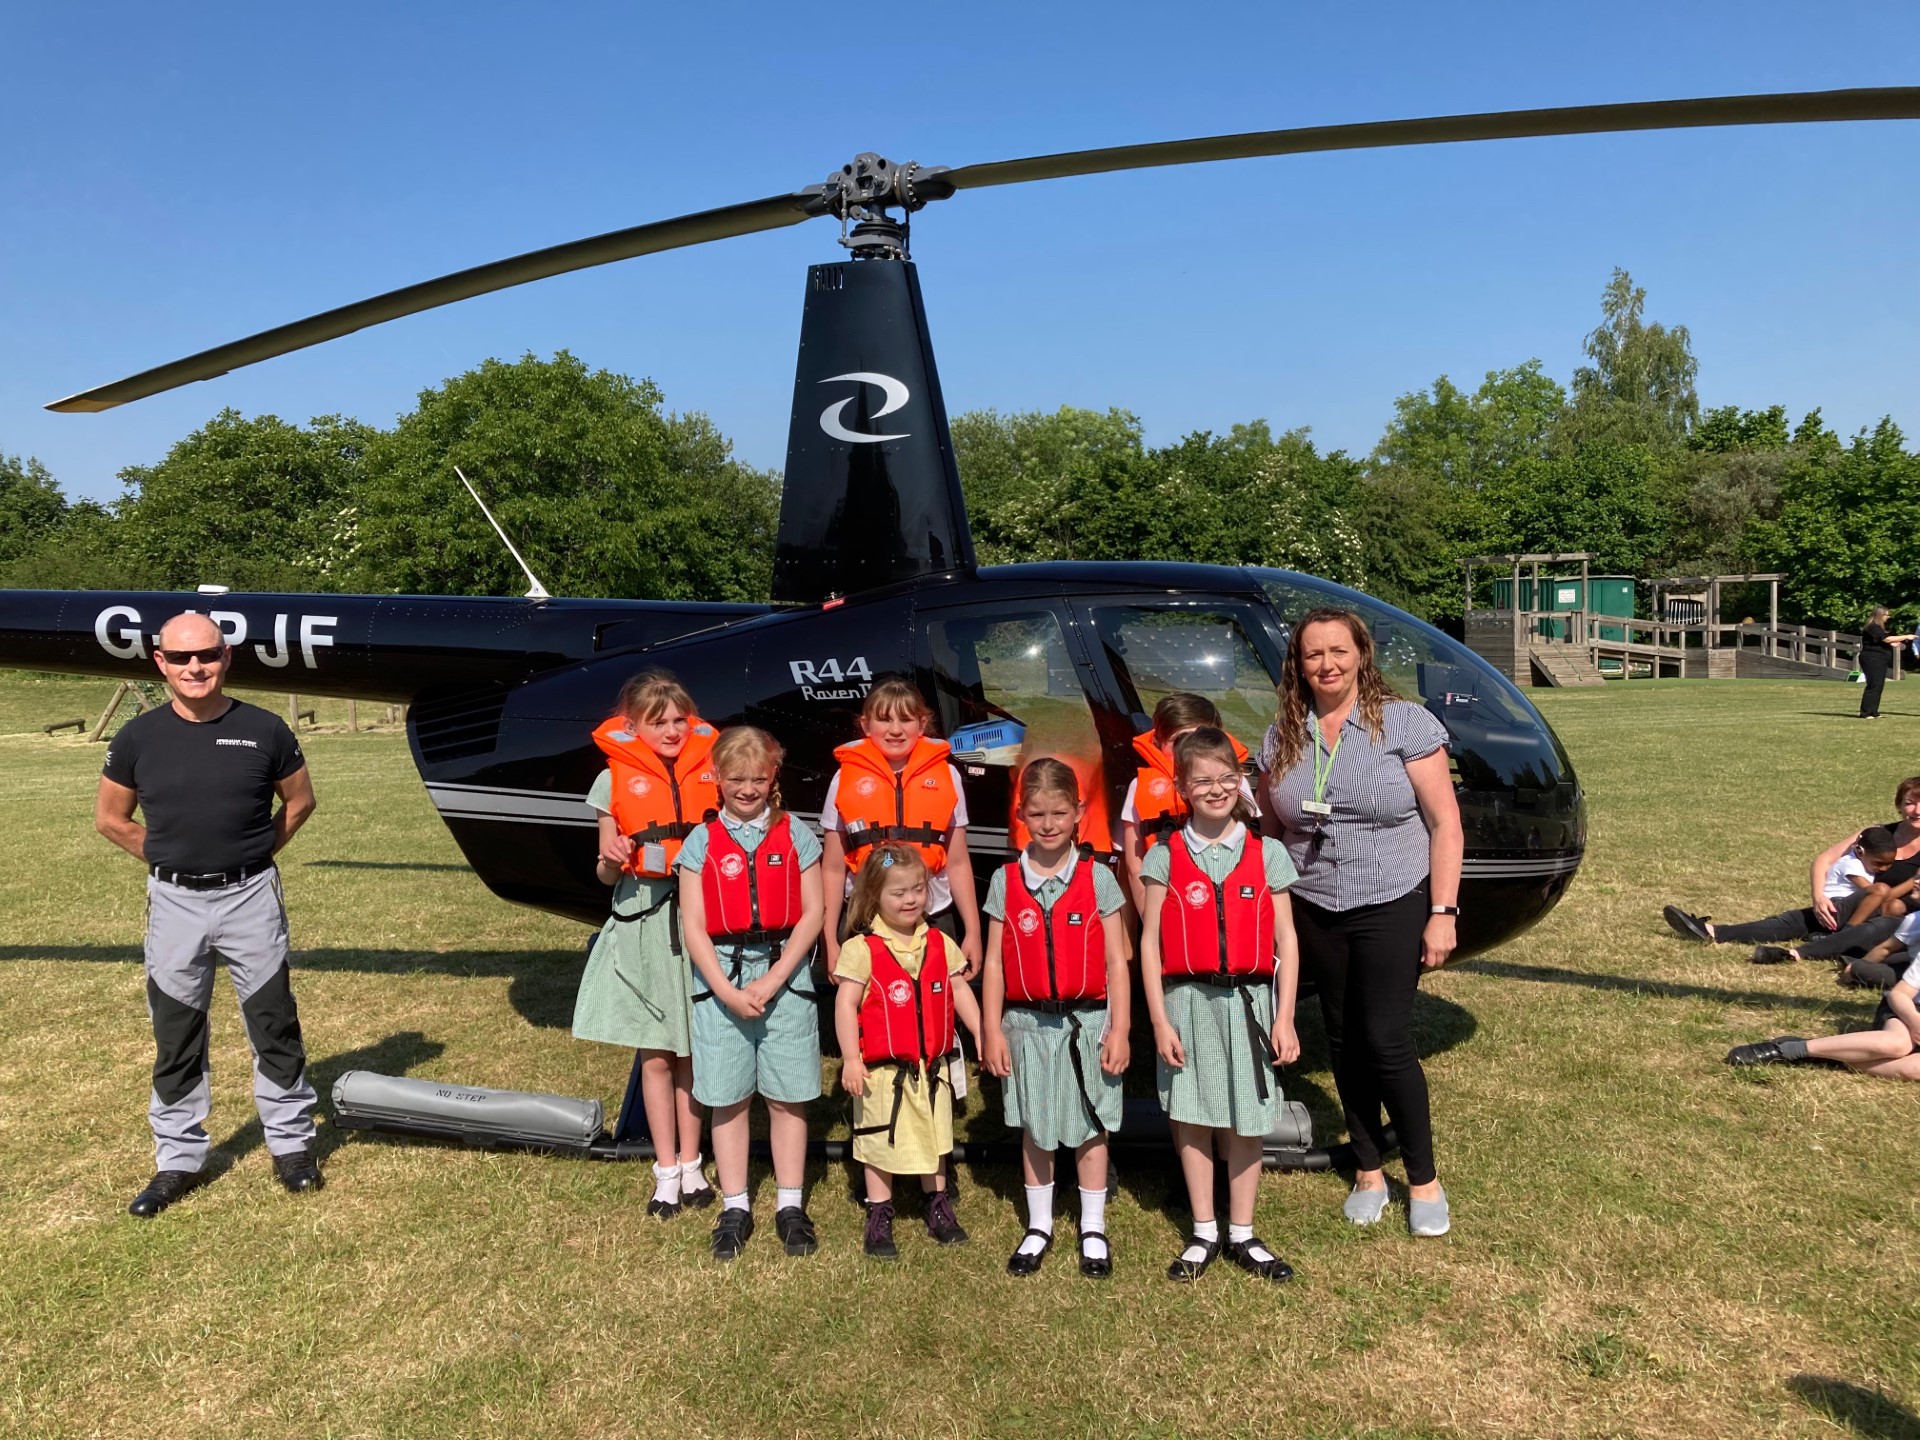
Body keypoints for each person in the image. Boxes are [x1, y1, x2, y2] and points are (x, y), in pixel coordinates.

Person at [94, 612, 322, 1218]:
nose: (195, 668)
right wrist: (169, 858)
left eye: (208, 656)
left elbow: (299, 804)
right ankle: (178, 1160)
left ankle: (292, 1145)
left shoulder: (265, 729)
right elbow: (111, 819)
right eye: (181, 657)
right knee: (176, 1033)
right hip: (174, 904)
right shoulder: (137, 738)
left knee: (273, 1021)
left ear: (226, 659)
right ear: (160, 663)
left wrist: (248, 857)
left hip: (250, 897)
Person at [1259, 607, 1463, 1238]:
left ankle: (1424, 1180)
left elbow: (1445, 826)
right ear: (1299, 664)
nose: (1327, 665)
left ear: (1361, 654)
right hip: (1315, 904)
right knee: (1343, 1038)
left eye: (1338, 651)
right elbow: (1272, 829)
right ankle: (1369, 1170)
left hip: (1392, 896)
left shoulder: (1405, 724)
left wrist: (1442, 913)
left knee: (1387, 1039)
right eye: (1313, 654)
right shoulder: (1283, 734)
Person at [1139, 728, 1301, 1283]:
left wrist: (1285, 1015)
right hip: (1187, 1003)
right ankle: (1204, 1230)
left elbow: (1287, 940)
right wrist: (1159, 1020)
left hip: (1250, 1003)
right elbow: (1148, 943)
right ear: (1181, 785)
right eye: (1202, 780)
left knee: (1246, 1118)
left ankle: (1243, 1232)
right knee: (1192, 1115)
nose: (1216, 790)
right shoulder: (1164, 855)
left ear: (1242, 781)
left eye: (1226, 779)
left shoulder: (1267, 852)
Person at [675, 727, 826, 1260]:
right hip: (721, 980)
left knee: (787, 1097)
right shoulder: (701, 842)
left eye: (757, 778)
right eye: (735, 778)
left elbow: (813, 914)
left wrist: (775, 977)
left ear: (773, 778)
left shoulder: (797, 835)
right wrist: (725, 989)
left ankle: (790, 1204)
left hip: (785, 975)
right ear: (716, 779)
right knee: (728, 1097)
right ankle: (735, 1205)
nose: (746, 788)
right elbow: (692, 925)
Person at [980, 759, 1130, 1278]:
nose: (1048, 824)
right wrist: (991, 1028)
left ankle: (1092, 1226)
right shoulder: (1005, 880)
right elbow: (996, 963)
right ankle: (1039, 1224)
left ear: (1079, 813)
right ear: (1021, 815)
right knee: (1036, 1127)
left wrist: (1121, 1029)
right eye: (1037, 814)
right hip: (1025, 1025)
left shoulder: (1099, 878)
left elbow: (1117, 961)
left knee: (1090, 1126)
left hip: (1090, 1023)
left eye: (1059, 813)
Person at [577, 669, 719, 1218]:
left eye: (679, 719)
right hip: (643, 922)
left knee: (693, 1051)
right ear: (632, 726)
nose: (672, 730)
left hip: (699, 923)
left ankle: (692, 1164)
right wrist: (611, 859)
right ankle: (665, 1170)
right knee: (657, 1054)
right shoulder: (611, 783)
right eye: (657, 722)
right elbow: (604, 876)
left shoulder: (712, 770)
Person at [833, 843, 984, 1261]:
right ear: (874, 896)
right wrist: (850, 1057)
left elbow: (959, 991)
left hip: (930, 1069)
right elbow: (845, 1004)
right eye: (898, 893)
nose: (911, 899)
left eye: (917, 889)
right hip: (884, 1073)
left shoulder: (938, 941)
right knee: (880, 1142)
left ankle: (937, 1205)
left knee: (936, 1141)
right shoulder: (862, 949)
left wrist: (982, 1033)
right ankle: (879, 1211)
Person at [821, 679, 981, 979]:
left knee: (936, 1011)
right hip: (864, 918)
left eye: (906, 719)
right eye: (884, 719)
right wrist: (829, 938)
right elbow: (831, 867)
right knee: (866, 1014)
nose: (896, 729)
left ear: (922, 725)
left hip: (932, 915)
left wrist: (972, 931)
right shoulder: (843, 778)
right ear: (866, 725)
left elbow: (958, 861)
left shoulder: (947, 775)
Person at [1661, 827, 1898, 954]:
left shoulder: (1868, 856)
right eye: (1909, 802)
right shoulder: (1858, 856)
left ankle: (1714, 932)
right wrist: (1818, 896)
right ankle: (1713, 931)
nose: (1884, 868)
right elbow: (1827, 863)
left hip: (1865, 916)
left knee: (1791, 921)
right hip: (1838, 907)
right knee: (1790, 921)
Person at [1119, 693, 1253, 914]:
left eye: (1201, 736)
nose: (1191, 748)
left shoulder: (1235, 783)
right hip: (1169, 903)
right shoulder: (1139, 786)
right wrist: (1151, 918)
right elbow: (1135, 865)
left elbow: (1252, 849)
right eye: (1180, 739)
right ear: (1158, 743)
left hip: (1228, 903)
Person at [1724, 958, 1920, 1079]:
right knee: (1897, 1044)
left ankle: (1834, 1055)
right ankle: (1789, 1049)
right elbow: (1898, 994)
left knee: (1914, 1069)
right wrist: (1914, 1020)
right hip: (1908, 1010)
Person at [1856, 607, 1913, 720]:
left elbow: (1882, 641)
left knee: (1879, 685)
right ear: (1879, 615)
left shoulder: (1878, 628)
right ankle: (1865, 712)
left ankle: (1874, 711)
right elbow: (1886, 639)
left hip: (1880, 660)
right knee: (1873, 684)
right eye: (1886, 615)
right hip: (1872, 659)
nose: (1888, 617)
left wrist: (1897, 644)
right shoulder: (1871, 627)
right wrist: (1906, 636)